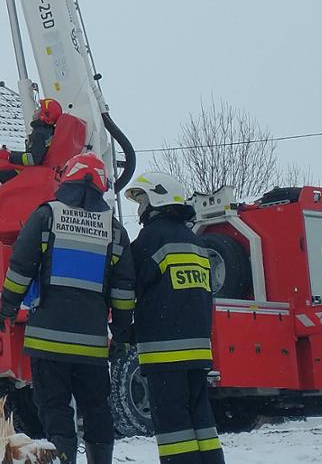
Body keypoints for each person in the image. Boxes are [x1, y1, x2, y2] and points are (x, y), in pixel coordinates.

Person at [0, 152, 131, 464]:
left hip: (47, 341)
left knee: (55, 409)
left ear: (68, 177)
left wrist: (7, 310)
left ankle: (62, 459)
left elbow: (20, 268)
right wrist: (122, 333)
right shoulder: (115, 229)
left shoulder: (46, 216)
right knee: (96, 409)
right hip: (92, 346)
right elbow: (123, 290)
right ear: (101, 183)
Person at [122, 171, 224, 464]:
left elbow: (129, 285)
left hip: (164, 351)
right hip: (198, 350)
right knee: (202, 422)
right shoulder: (194, 242)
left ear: (156, 199)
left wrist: (125, 328)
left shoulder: (150, 239)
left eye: (142, 200)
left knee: (173, 428)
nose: (140, 208)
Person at [0, 98, 64, 197]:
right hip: (35, 173)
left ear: (45, 115)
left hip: (28, 173)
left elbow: (32, 159)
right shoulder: (47, 133)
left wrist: (10, 157)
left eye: (39, 109)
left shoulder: (39, 134)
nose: (36, 110)